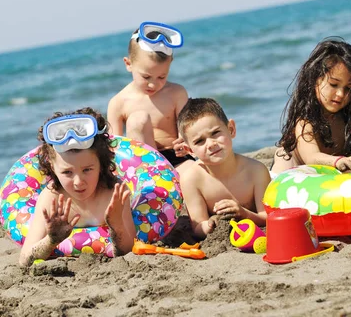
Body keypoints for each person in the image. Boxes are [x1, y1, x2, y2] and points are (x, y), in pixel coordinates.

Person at [19, 108, 136, 266]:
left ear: (101, 165)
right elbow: (24, 259)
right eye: (67, 172)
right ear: (53, 168)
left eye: (87, 170)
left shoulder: (114, 193)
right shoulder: (51, 198)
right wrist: (51, 240)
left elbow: (130, 252)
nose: (78, 182)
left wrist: (117, 226)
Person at [271, 39, 351, 174]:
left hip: (322, 173)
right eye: (333, 84)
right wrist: (338, 161)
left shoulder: (348, 119)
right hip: (291, 171)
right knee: (284, 161)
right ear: (314, 79)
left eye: (349, 88)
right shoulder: (305, 121)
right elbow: (311, 157)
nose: (340, 94)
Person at [177, 98, 270, 239]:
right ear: (189, 150)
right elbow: (197, 227)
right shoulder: (191, 179)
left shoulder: (256, 171)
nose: (211, 144)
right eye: (199, 141)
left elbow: (267, 218)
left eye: (215, 133)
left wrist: (244, 214)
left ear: (231, 129)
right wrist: (209, 224)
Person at [107, 21, 194, 171]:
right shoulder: (118, 103)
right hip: (144, 166)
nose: (153, 85)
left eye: (162, 77)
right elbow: (114, 149)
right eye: (146, 77)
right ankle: (153, 177)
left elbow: (187, 130)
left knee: (193, 173)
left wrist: (185, 142)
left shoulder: (176, 93)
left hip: (179, 160)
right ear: (128, 64)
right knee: (137, 120)